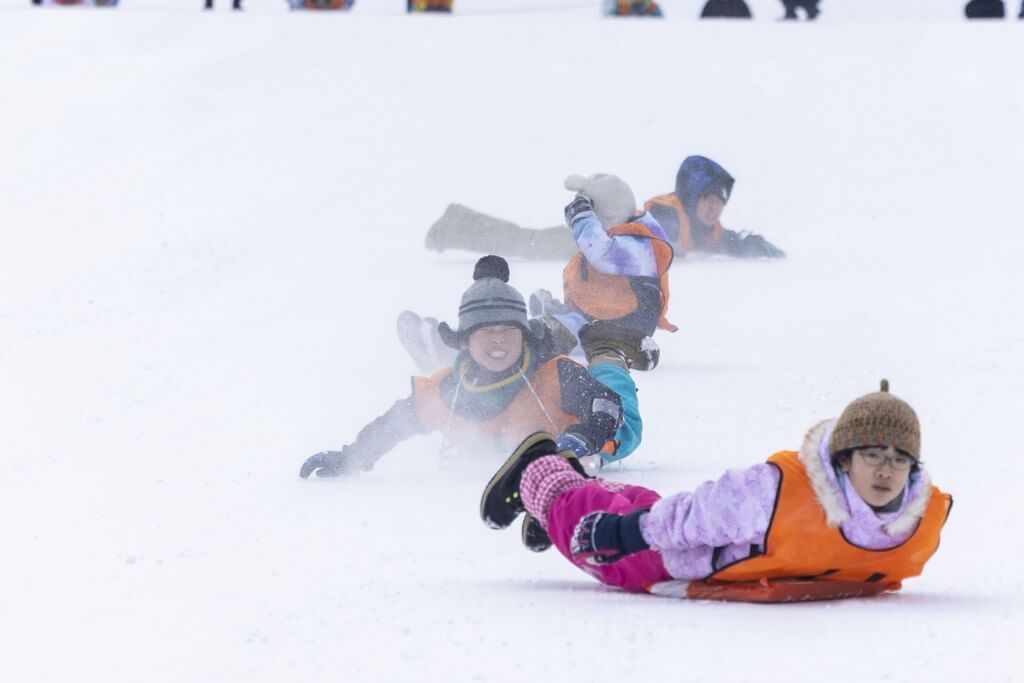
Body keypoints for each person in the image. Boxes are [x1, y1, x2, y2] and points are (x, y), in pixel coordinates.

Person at [480, 380, 952, 602]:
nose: (886, 470)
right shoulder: (780, 491)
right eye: (873, 455)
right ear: (845, 460)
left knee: (639, 507)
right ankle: (537, 472)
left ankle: (565, 488)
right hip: (671, 556)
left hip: (706, 550)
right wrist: (624, 534)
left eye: (899, 459)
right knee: (588, 530)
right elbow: (698, 514)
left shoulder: (916, 523)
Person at [424, 156, 784, 261]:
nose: (713, 209)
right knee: (525, 243)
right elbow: (659, 241)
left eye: (720, 202)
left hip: (601, 253)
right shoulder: (669, 214)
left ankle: (459, 222)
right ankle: (456, 224)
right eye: (707, 199)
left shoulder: (706, 228)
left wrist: (753, 246)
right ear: (692, 197)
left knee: (524, 242)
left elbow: (726, 242)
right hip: (587, 241)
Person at [536, 173, 677, 354]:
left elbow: (602, 253)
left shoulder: (642, 246)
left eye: (592, 214)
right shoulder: (620, 237)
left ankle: (551, 331)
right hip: (602, 318)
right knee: (578, 325)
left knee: (571, 335)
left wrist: (582, 219)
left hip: (626, 329)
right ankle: (562, 316)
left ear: (608, 214)